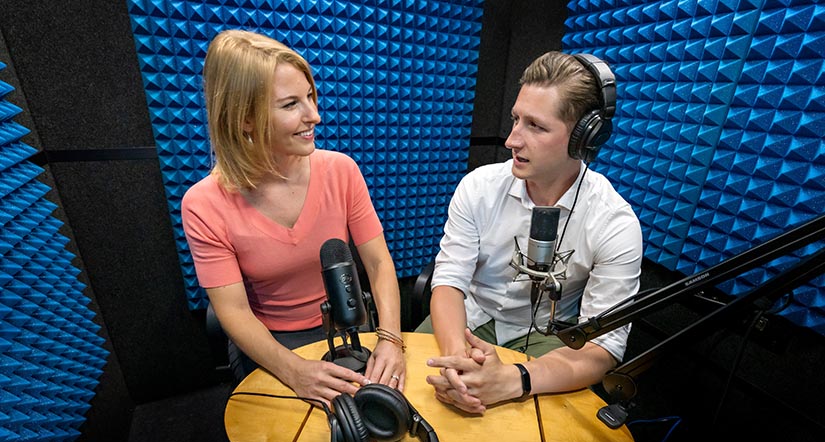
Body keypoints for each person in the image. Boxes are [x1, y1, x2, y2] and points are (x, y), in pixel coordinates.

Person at [181, 29, 405, 406]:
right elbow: (232, 310)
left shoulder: (342, 171)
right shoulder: (203, 204)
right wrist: (293, 371)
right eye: (290, 105)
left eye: (310, 97)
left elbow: (379, 262)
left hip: (350, 326)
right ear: (245, 118)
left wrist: (390, 339)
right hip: (272, 343)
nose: (314, 115)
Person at [420, 51, 643, 414]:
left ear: (584, 137)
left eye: (535, 126)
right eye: (515, 120)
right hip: (468, 320)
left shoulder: (614, 223)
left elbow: (604, 349)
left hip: (547, 340)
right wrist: (458, 364)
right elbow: (448, 281)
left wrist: (513, 380)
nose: (512, 139)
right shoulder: (478, 187)